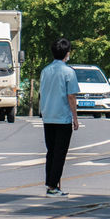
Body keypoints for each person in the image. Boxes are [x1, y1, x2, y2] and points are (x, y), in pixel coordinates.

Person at [39, 37, 79, 196]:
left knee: (51, 151)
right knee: (60, 153)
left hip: (48, 116)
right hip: (62, 117)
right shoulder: (69, 72)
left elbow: (41, 93)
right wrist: (75, 117)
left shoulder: (45, 71)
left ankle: (51, 183)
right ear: (67, 53)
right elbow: (71, 97)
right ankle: (52, 186)